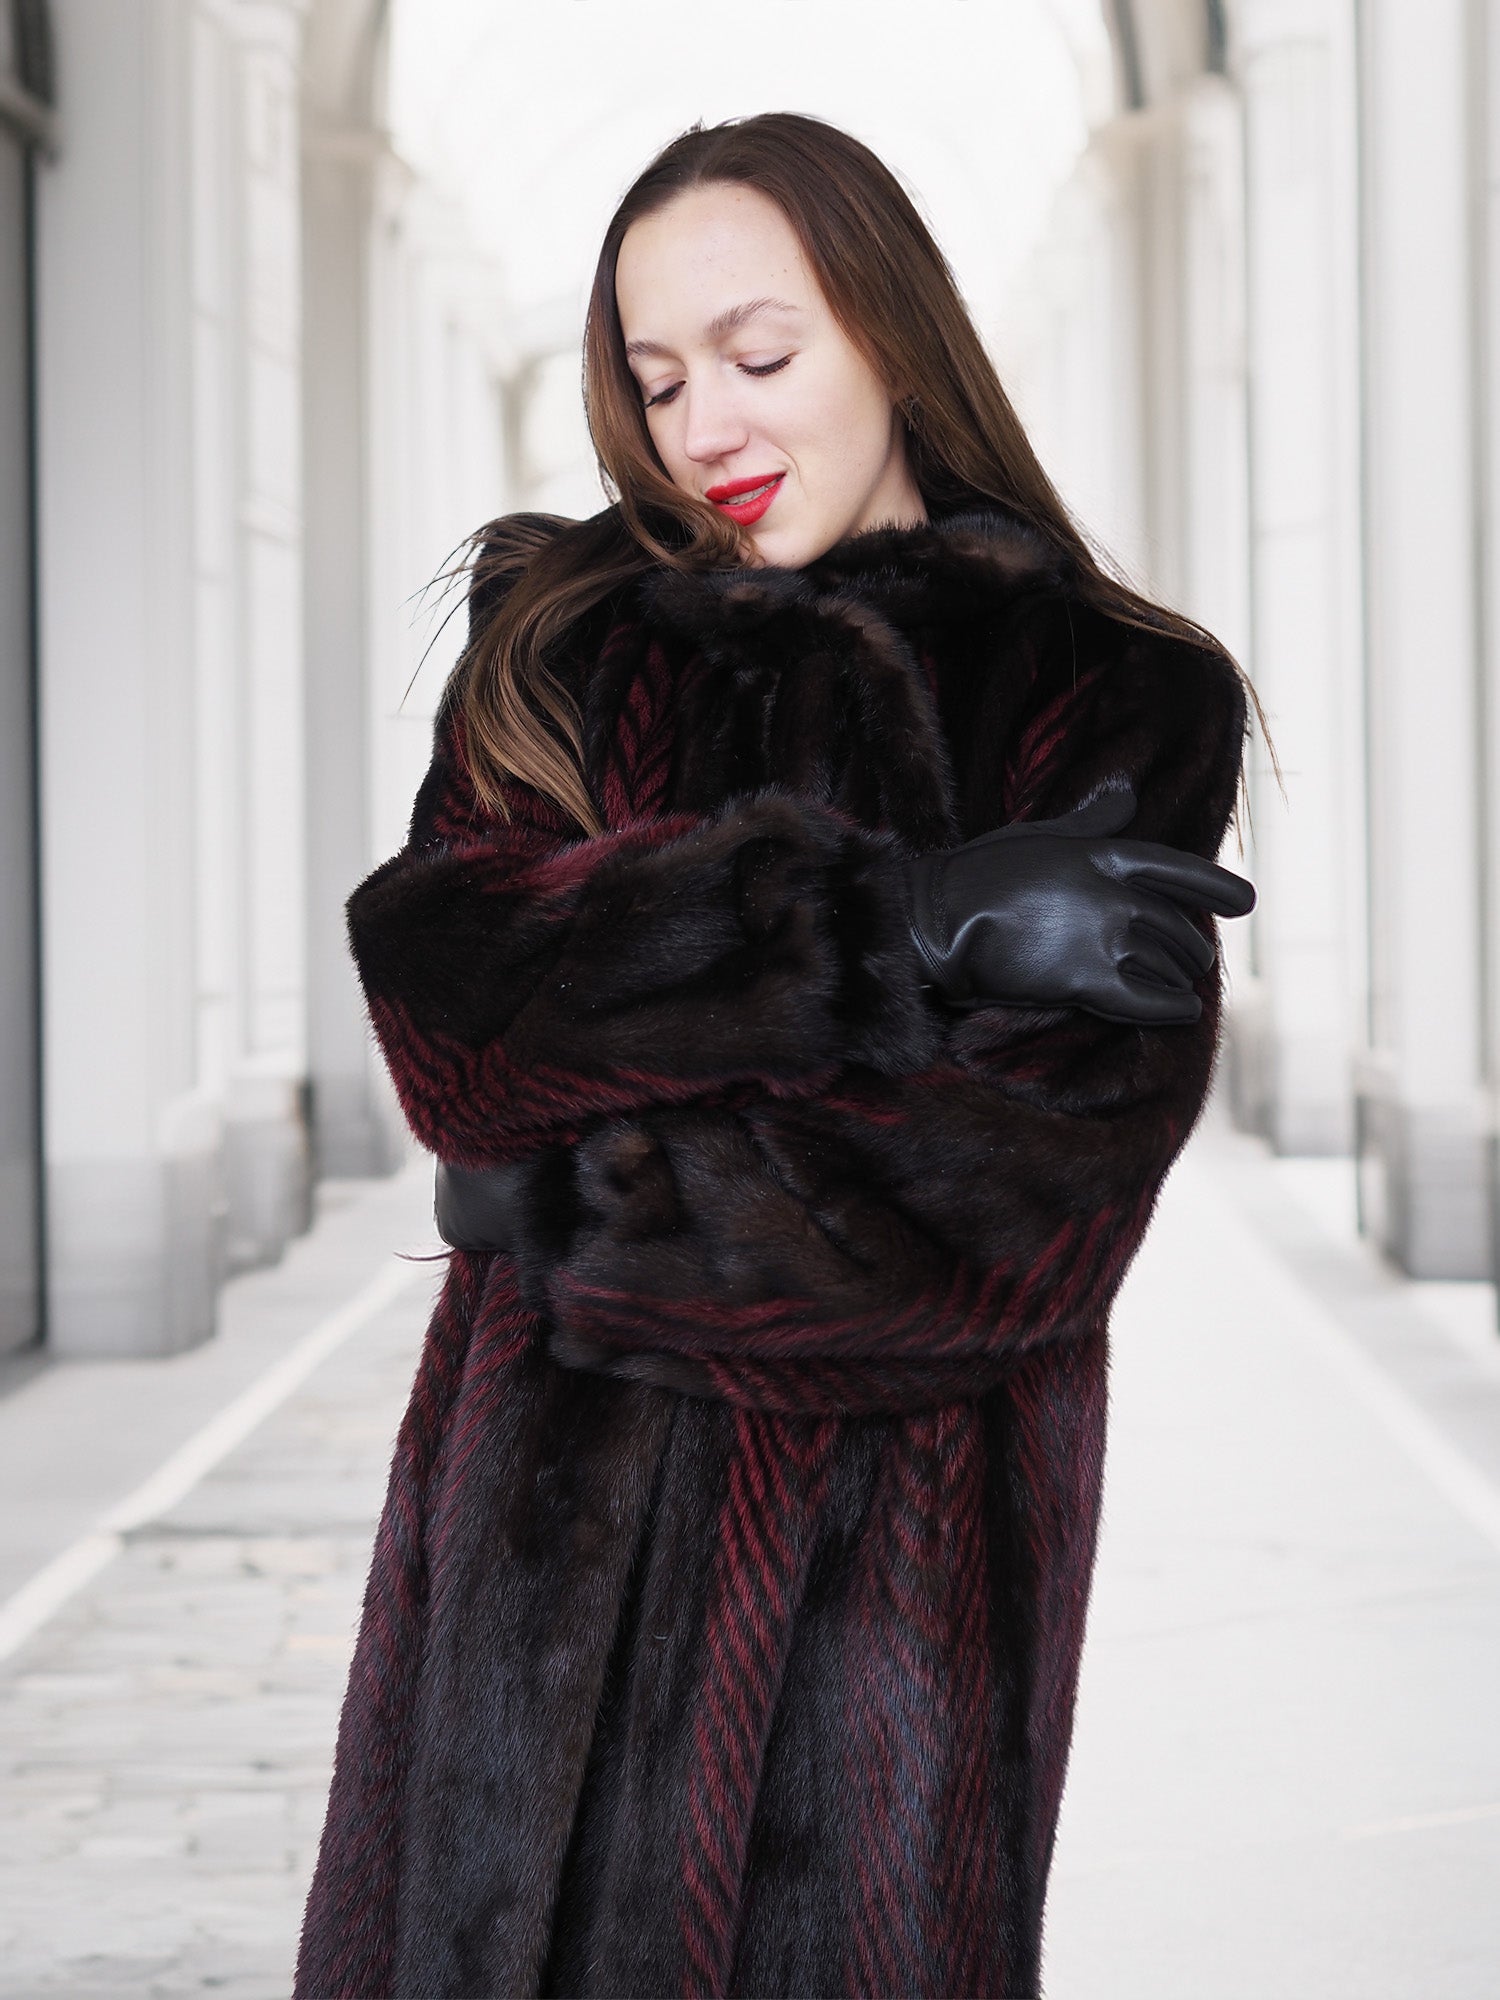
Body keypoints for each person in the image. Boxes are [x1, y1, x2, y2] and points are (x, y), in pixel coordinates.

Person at [293, 110, 1261, 2000]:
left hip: (890, 1642)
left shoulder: (1121, 697)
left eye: (760, 355)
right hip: (526, 1609)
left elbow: (1009, 1224)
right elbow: (446, 997)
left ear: (894, 329)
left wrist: (563, 1185)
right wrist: (904, 925)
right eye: (657, 382)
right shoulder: (561, 638)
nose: (704, 430)